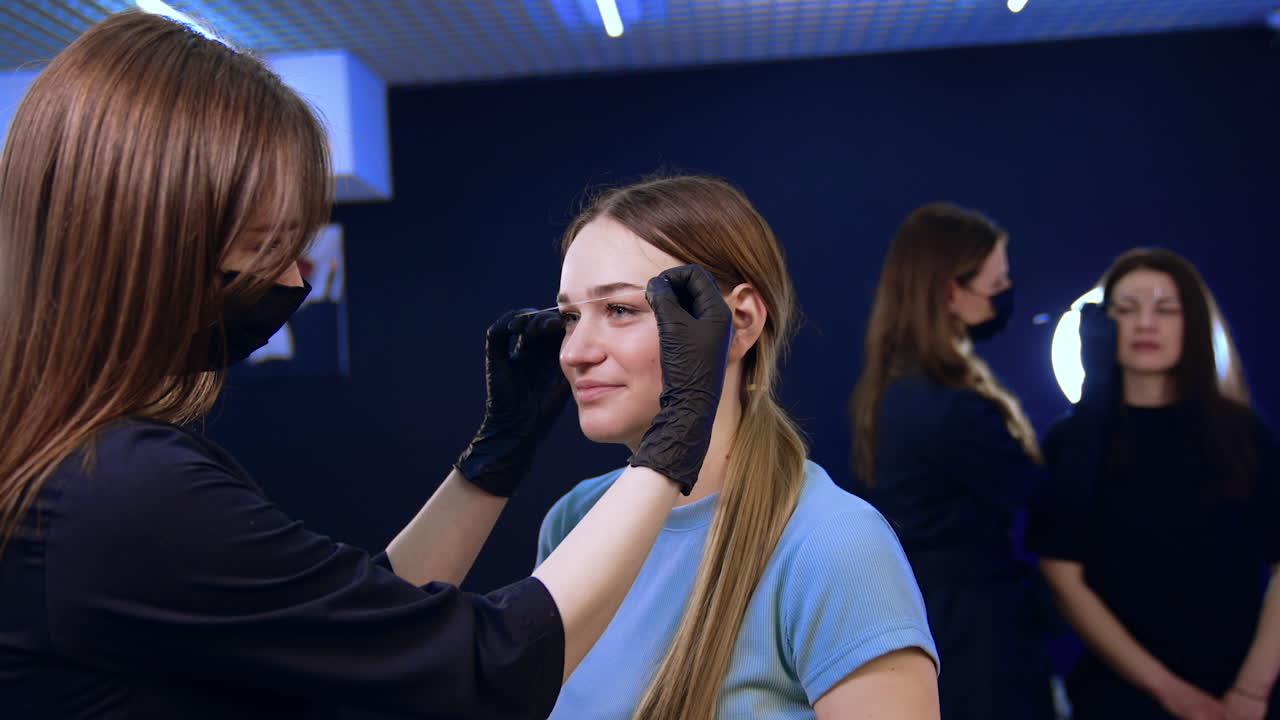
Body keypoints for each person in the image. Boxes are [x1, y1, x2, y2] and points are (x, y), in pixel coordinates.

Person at [0, 12, 735, 719]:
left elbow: (369, 629)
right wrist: (675, 440)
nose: (297, 277)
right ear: (158, 244)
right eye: (266, 244)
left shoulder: (74, 462)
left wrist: (494, 457)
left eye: (621, 310)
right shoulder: (125, 492)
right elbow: (491, 664)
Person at [536, 174, 939, 720]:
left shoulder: (833, 546)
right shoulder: (574, 521)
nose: (575, 352)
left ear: (740, 322)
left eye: (621, 310)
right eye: (569, 318)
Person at [1027, 248, 1279, 720]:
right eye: (1126, 309)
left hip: (1243, 691)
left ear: (1196, 323)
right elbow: (1061, 573)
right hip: (1121, 695)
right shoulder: (1075, 439)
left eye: (1166, 309)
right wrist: (1169, 692)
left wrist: (1251, 690)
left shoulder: (1243, 434)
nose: (1145, 324)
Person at [849, 202, 1056, 719]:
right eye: (996, 282)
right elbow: (1048, 497)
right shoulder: (946, 406)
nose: (1006, 293)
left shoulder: (895, 389)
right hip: (973, 639)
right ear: (949, 291)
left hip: (932, 622)